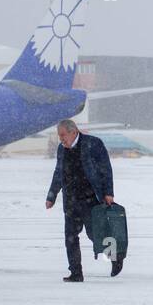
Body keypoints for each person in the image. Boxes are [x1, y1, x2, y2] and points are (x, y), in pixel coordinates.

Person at [46, 119, 116, 281]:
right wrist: (52, 195)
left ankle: (115, 258)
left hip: (91, 199)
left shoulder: (93, 144)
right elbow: (58, 173)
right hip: (71, 201)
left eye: (63, 135)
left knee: (96, 235)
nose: (61, 139)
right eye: (59, 136)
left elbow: (106, 169)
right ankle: (76, 272)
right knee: (70, 237)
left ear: (73, 132)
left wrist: (108, 192)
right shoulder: (61, 149)